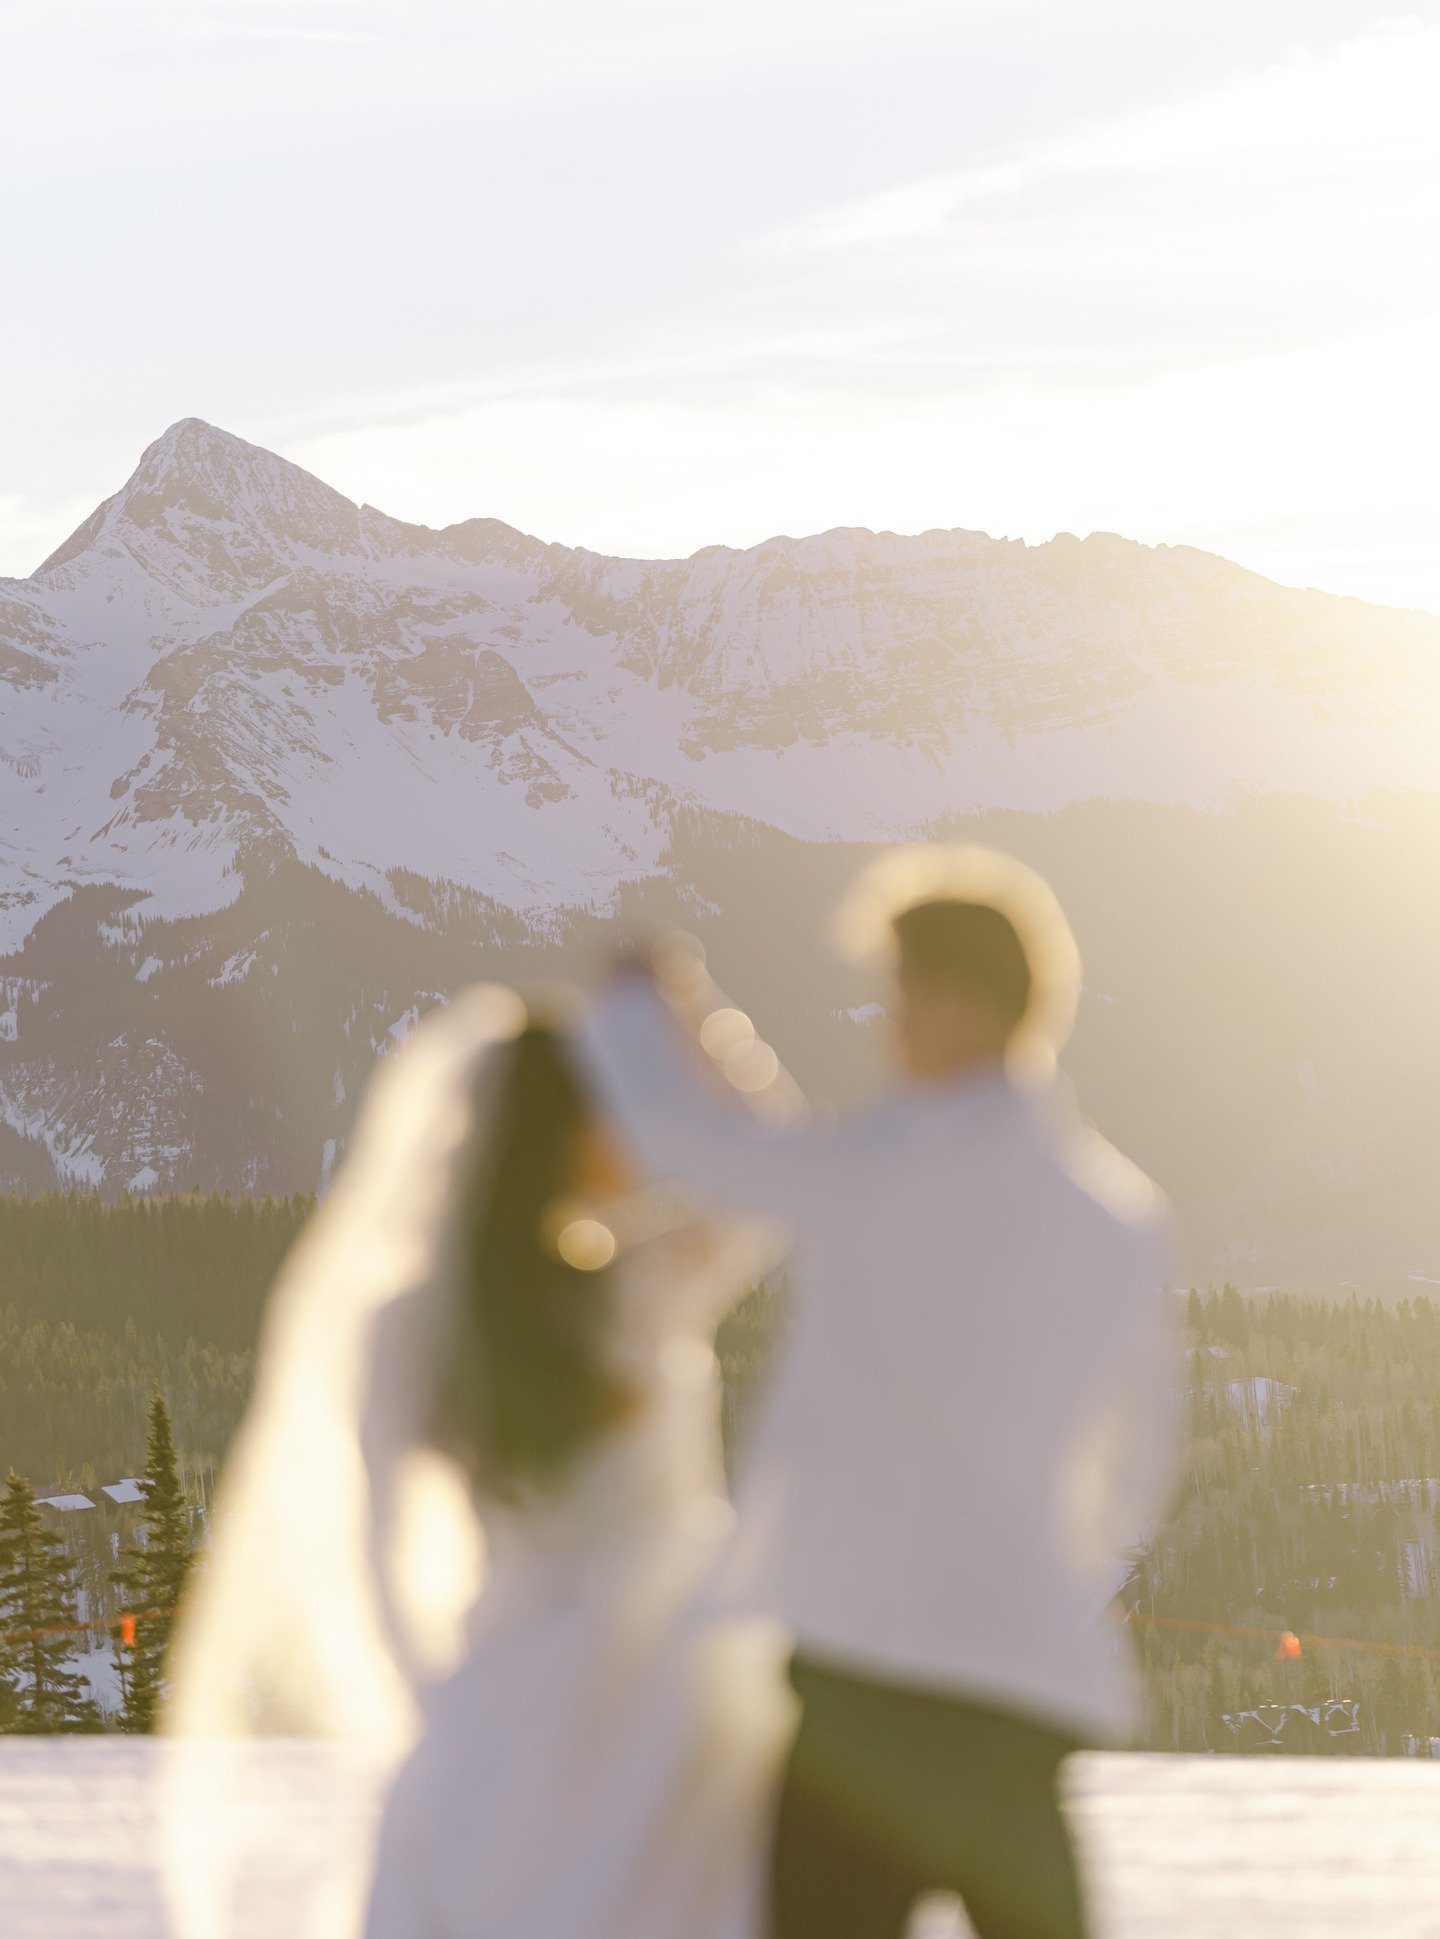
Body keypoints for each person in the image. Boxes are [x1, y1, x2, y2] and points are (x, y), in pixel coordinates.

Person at [579, 845, 1184, 1939]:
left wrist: (638, 1006)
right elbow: (1135, 1460)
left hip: (870, 1673)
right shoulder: (1118, 1215)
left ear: (953, 1005)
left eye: (895, 995)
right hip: (1021, 1673)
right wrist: (1033, 1567)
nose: (883, 1024)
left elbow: (695, 1142)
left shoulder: (889, 1170)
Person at [163, 987, 792, 1939]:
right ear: (569, 1136)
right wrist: (700, 1026)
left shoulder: (417, 1321)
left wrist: (433, 1701)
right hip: (683, 1710)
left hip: (512, 1704)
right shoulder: (635, 1286)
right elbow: (770, 1180)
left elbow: (363, 1542)